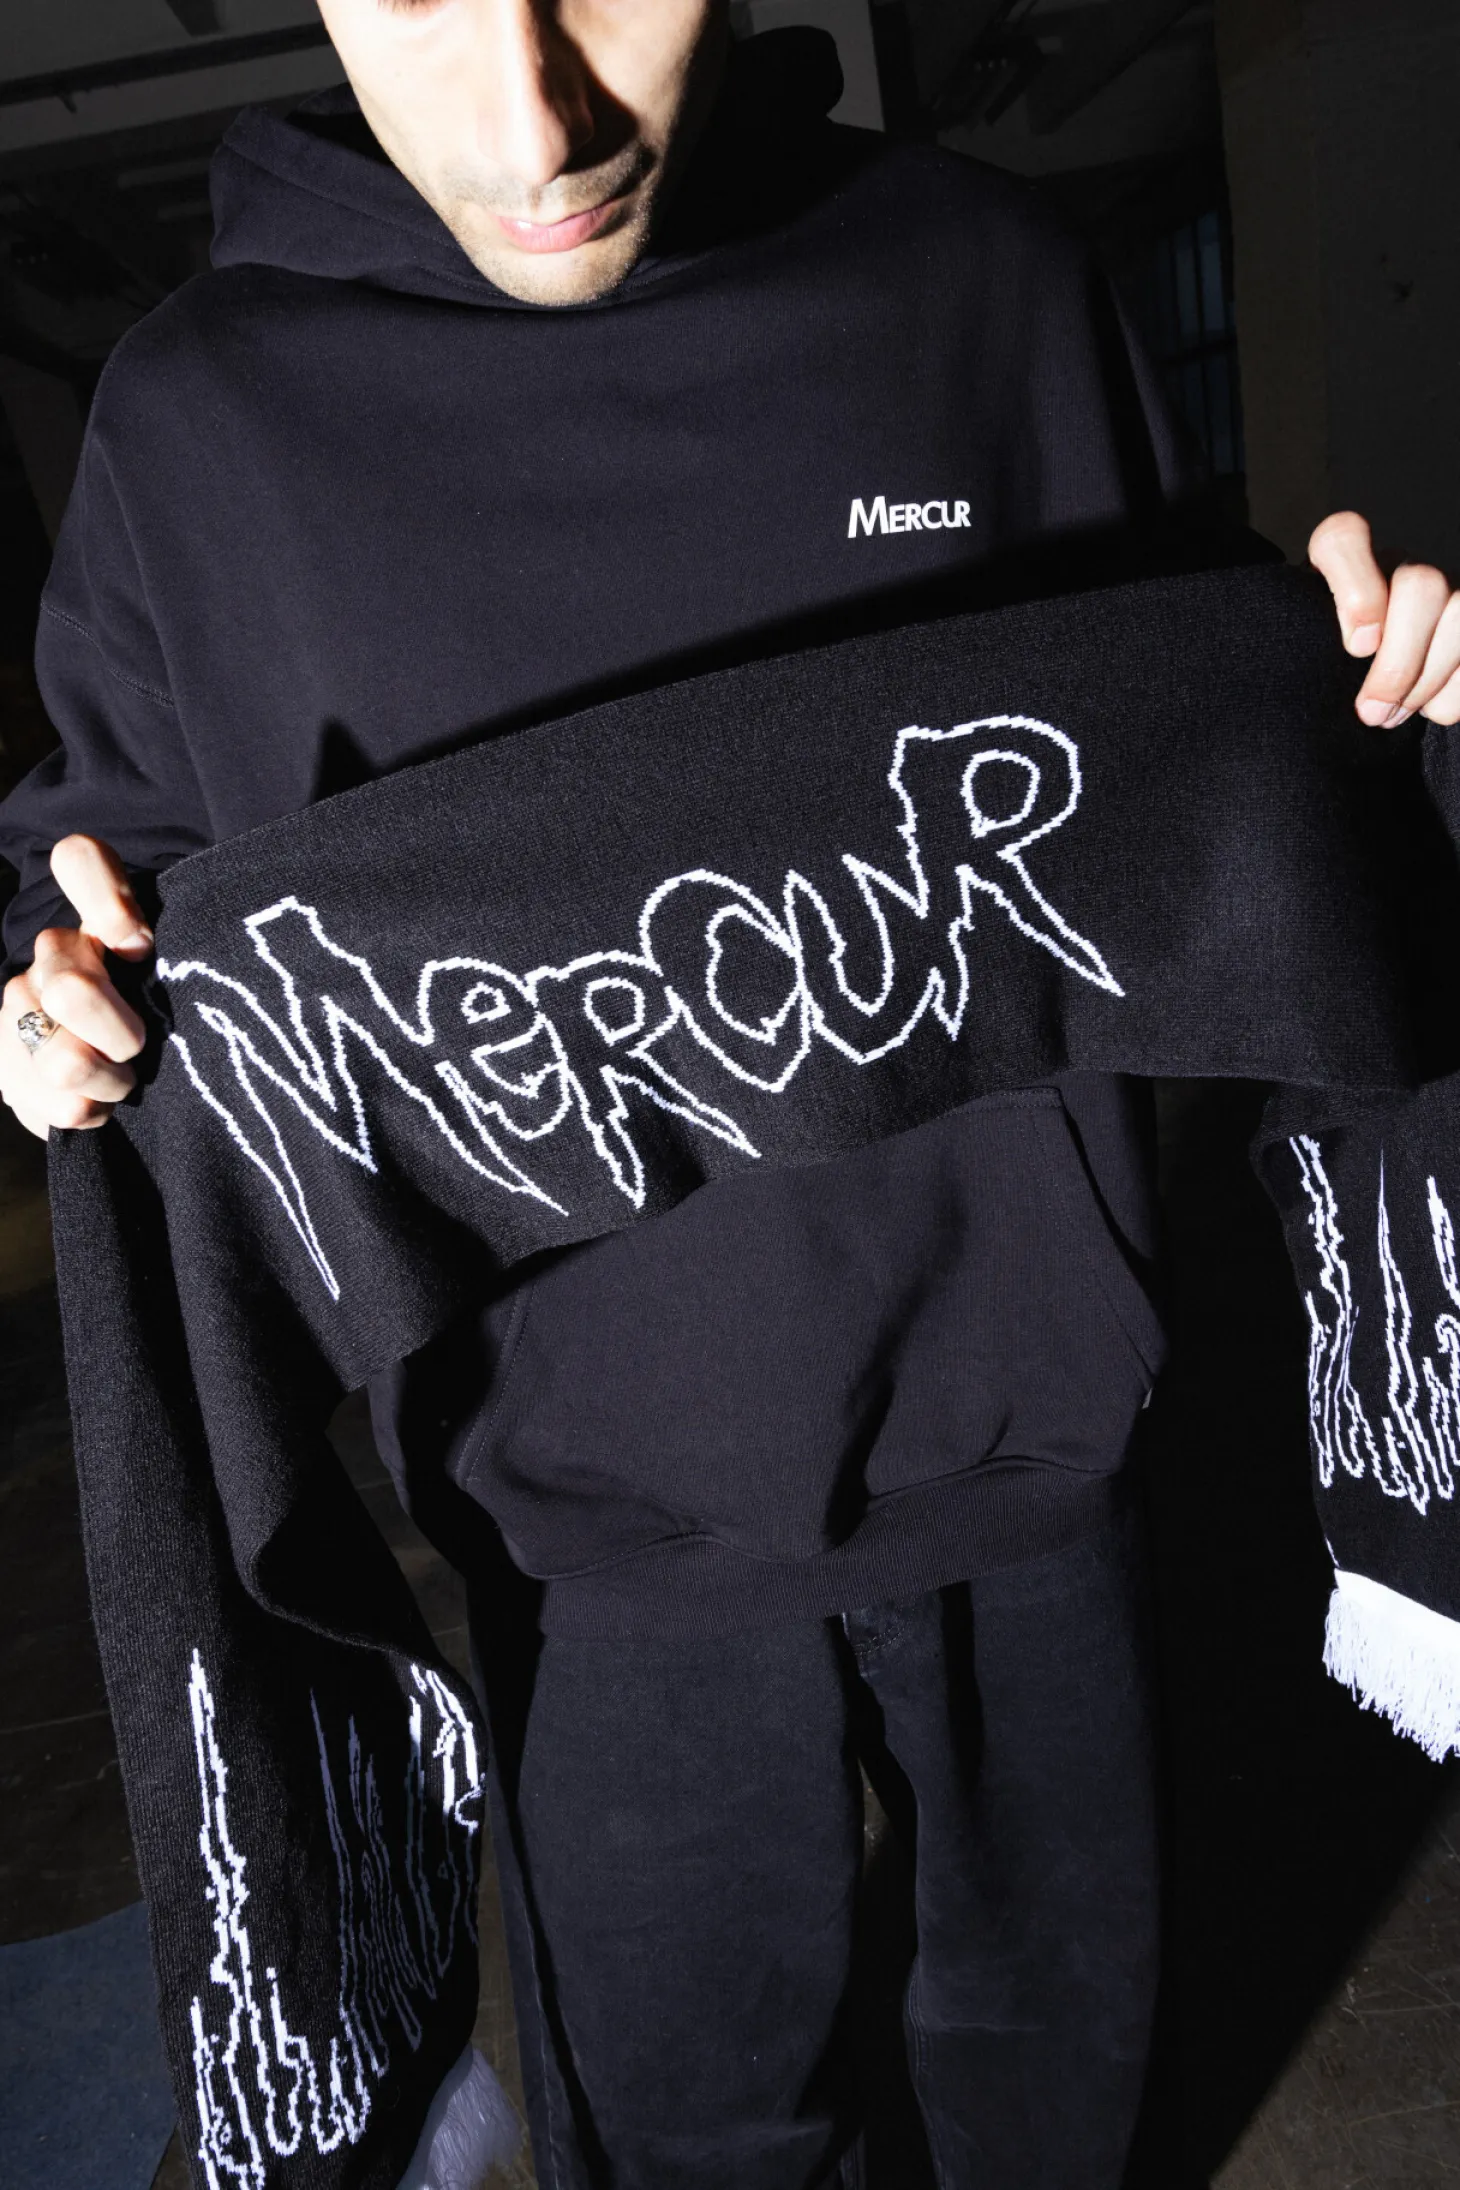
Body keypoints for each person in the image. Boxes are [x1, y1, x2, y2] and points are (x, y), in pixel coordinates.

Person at [2, 7, 1458, 2185]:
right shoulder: (193, 424)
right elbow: (90, 854)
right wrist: (47, 994)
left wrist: (1354, 683)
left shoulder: (983, 283)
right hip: (590, 1527)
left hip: (1033, 1436)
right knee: (692, 2140)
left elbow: (1176, 734)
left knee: (1064, 2101)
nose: (536, 123)